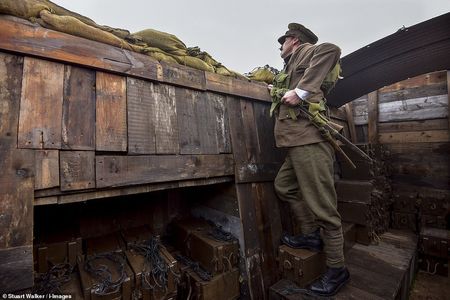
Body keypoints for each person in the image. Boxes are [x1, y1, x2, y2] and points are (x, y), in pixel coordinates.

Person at [269, 23, 349, 297]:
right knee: (284, 186)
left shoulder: (305, 51)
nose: (280, 46)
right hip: (296, 143)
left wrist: (301, 91)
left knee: (323, 206)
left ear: (293, 40)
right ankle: (311, 236)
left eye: (282, 41)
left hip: (310, 142)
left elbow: (332, 49)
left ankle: (337, 270)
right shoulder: (290, 65)